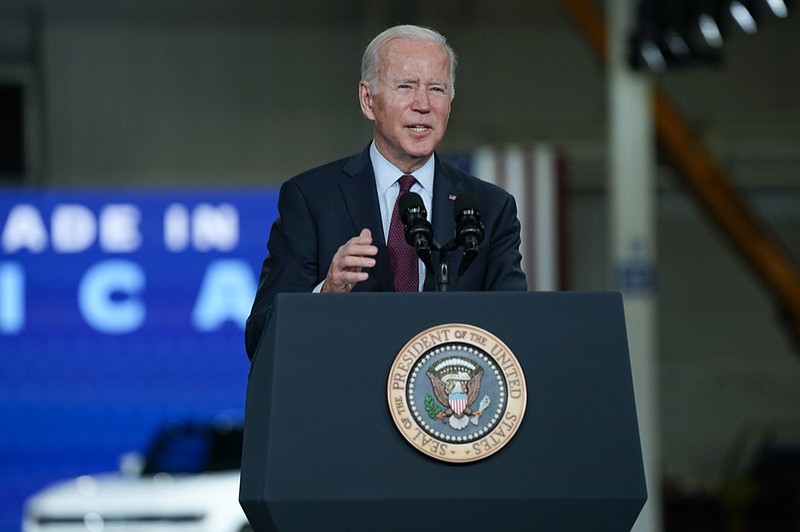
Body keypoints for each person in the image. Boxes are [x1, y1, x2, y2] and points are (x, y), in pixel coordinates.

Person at [245, 24, 527, 360]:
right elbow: (260, 335)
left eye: (437, 89)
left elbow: (516, 328)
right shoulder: (311, 199)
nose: (422, 104)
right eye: (406, 86)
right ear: (368, 100)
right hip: (346, 402)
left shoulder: (490, 208)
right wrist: (327, 293)